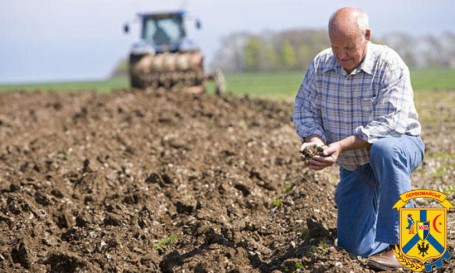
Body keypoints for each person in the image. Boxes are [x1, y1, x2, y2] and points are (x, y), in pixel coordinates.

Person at [292, 7, 424, 271]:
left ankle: (405, 246)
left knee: (385, 151)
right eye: (335, 47)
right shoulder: (321, 65)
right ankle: (384, 241)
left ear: (367, 35)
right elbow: (304, 109)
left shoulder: (389, 64)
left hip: (398, 146)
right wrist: (315, 141)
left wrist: (340, 145)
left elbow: (390, 124)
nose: (341, 55)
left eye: (348, 47)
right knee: (354, 247)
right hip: (355, 164)